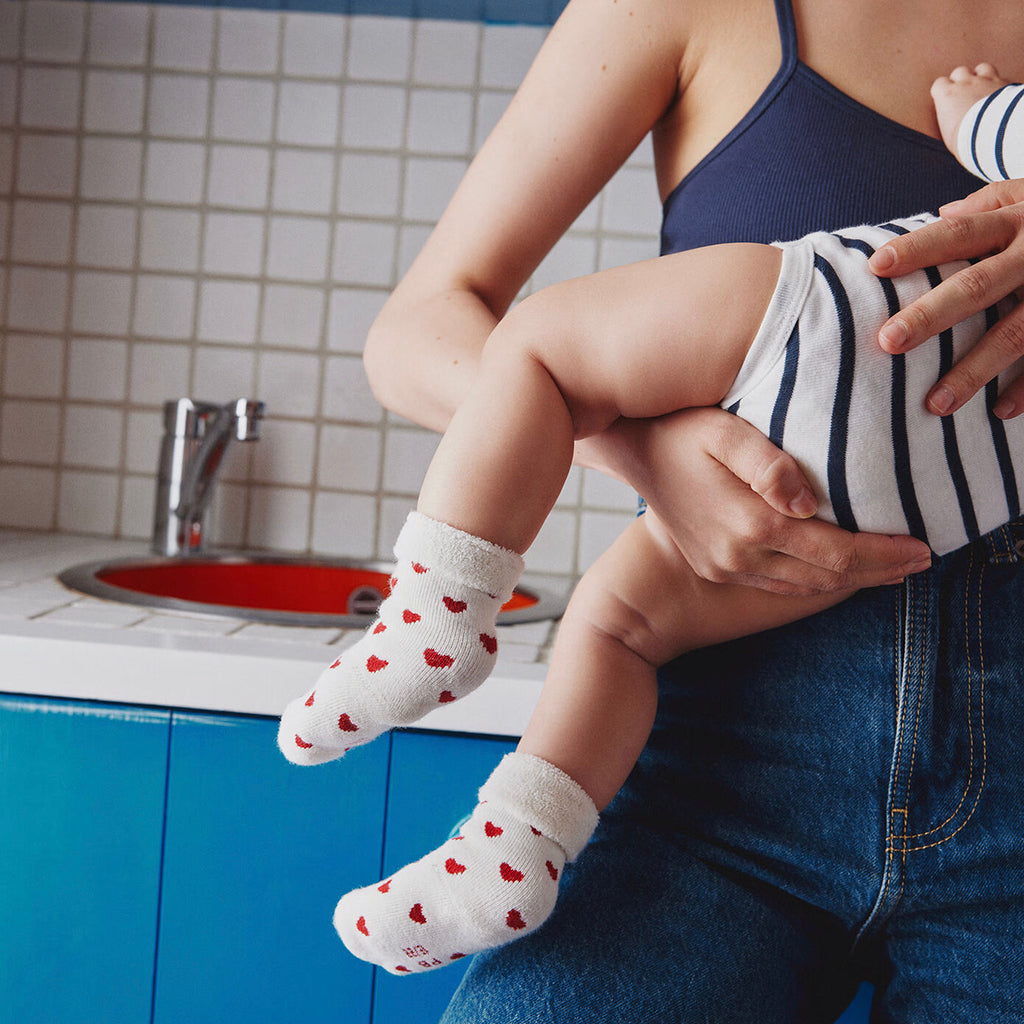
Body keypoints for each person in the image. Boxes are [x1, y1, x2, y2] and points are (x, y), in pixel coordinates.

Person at [276, 63, 1024, 978]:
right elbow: (411, 336)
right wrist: (645, 448)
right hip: (945, 500)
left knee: (539, 352)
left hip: (853, 329)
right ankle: (515, 841)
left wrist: (973, 107)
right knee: (616, 627)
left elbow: (1001, 125)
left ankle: (436, 615)